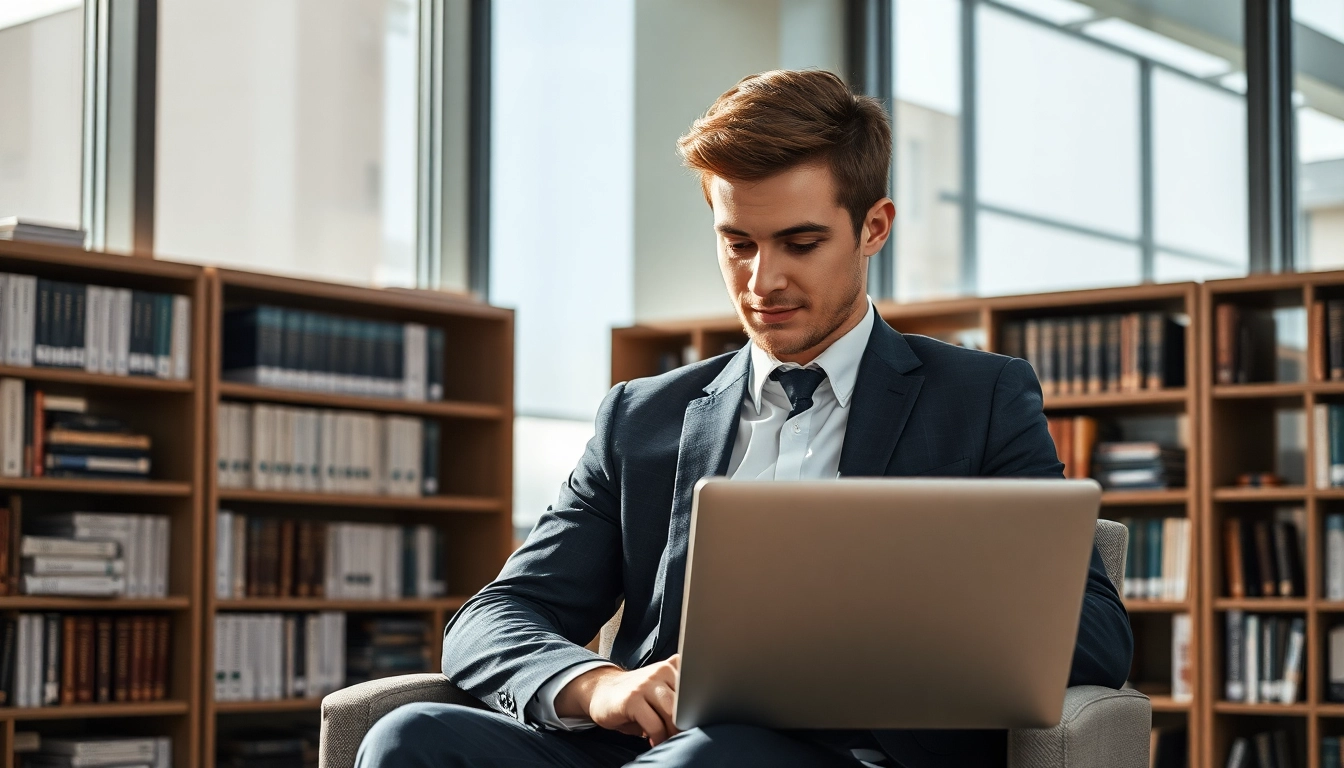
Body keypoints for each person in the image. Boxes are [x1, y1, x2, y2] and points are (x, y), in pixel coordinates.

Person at [356, 69, 1132, 768]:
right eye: (738, 244)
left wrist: (891, 624)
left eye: (800, 243)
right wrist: (597, 685)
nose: (763, 281)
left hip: (846, 756)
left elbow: (1097, 632)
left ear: (874, 227)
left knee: (715, 757)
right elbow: (495, 615)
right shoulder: (641, 416)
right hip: (648, 748)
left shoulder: (979, 398)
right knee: (409, 736)